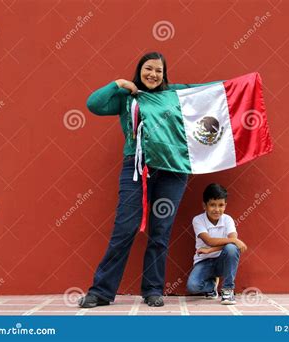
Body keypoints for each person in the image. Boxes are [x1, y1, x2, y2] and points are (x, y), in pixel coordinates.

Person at [78, 51, 201, 308]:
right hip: (135, 169)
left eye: (159, 70)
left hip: (173, 170)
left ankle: (153, 289)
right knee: (125, 228)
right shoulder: (126, 97)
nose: (153, 74)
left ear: (164, 75)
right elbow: (93, 104)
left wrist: (241, 87)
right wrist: (119, 84)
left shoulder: (174, 94)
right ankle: (101, 291)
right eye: (148, 69)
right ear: (139, 70)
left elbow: (208, 95)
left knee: (161, 232)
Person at [186, 183, 248, 304]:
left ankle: (228, 290)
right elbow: (209, 241)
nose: (217, 209)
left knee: (231, 248)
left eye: (221, 205)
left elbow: (232, 243)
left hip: (222, 261)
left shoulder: (228, 219)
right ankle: (211, 285)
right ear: (204, 205)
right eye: (212, 205)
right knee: (192, 286)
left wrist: (210, 250)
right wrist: (234, 240)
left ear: (225, 205)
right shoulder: (198, 220)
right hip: (203, 262)